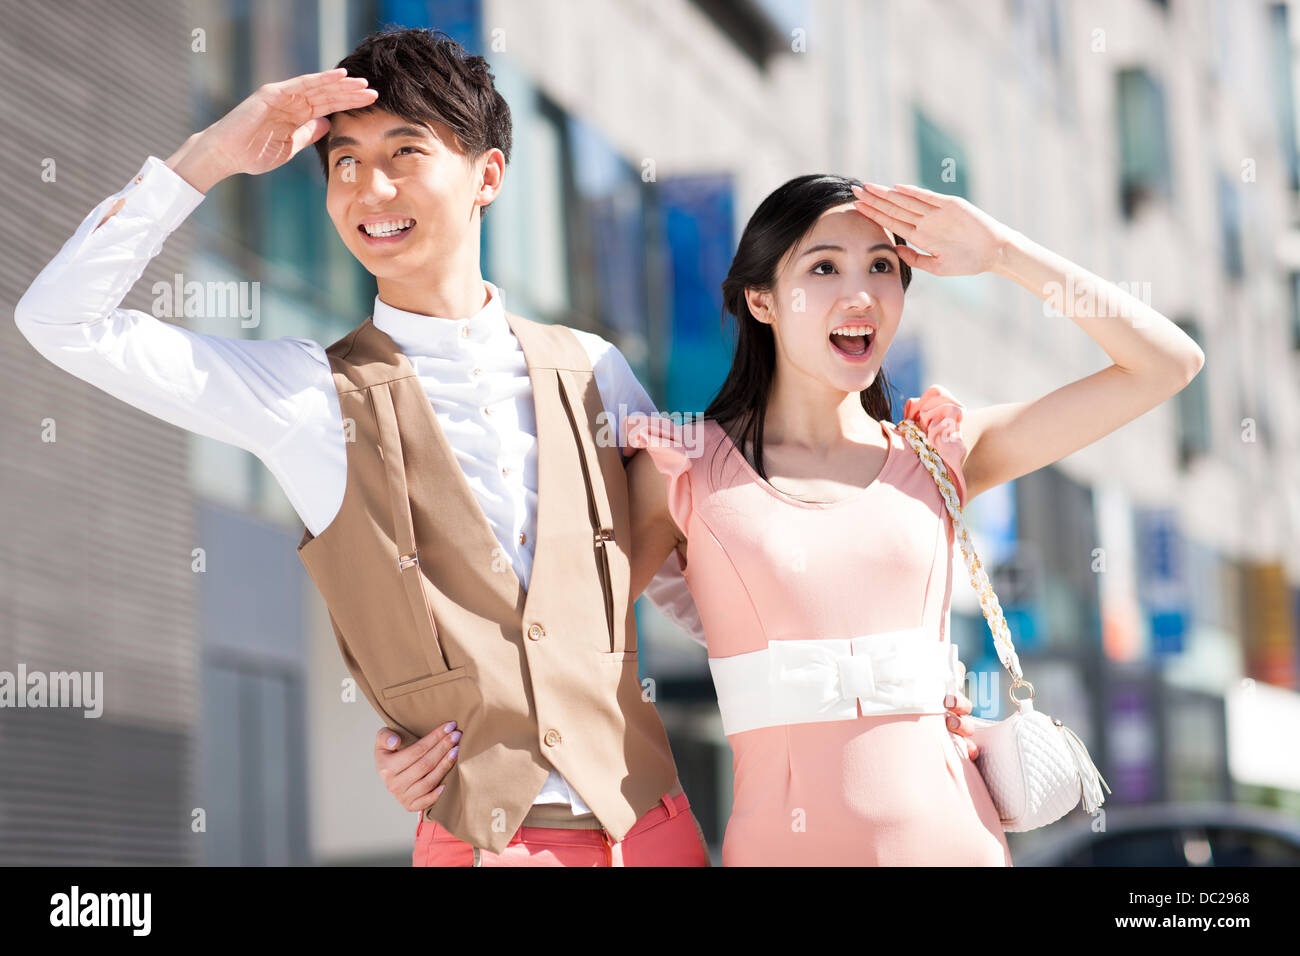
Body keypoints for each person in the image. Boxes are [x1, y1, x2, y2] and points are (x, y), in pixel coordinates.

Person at [14, 27, 975, 867]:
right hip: (490, 843)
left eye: (403, 151)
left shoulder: (595, 372)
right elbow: (63, 322)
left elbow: (714, 593)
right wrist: (212, 154)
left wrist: (903, 689)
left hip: (658, 831)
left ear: (487, 175)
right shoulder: (305, 395)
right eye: (342, 162)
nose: (368, 187)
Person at [614, 173, 1204, 865]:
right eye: (825, 266)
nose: (860, 292)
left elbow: (1168, 365)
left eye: (883, 267)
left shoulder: (939, 453)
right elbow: (570, 648)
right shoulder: (683, 469)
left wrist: (1001, 252)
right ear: (761, 299)